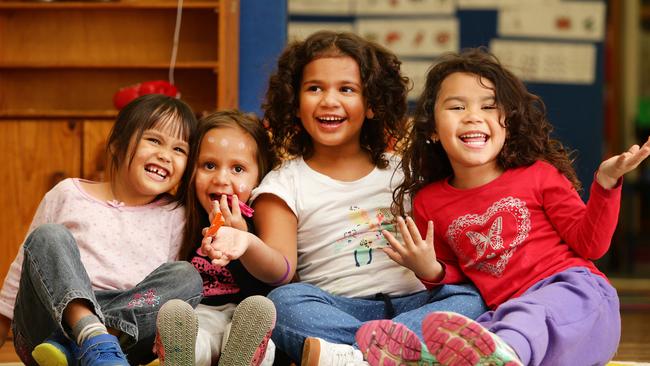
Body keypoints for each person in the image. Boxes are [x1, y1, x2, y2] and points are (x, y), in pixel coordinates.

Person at [201, 31, 488, 365]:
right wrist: (247, 242)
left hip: (416, 301)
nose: (329, 100)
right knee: (282, 303)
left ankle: (356, 354)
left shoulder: (408, 169)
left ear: (371, 104)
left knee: (470, 299)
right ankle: (400, 351)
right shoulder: (283, 184)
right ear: (294, 102)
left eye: (346, 89)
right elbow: (280, 270)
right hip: (337, 306)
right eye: (314, 88)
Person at [360, 48, 650, 366]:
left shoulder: (538, 174)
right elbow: (463, 281)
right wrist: (431, 269)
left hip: (578, 301)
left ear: (508, 123)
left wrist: (606, 183)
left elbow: (590, 245)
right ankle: (428, 357)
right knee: (476, 329)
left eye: (489, 106)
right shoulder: (430, 202)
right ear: (432, 129)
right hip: (509, 320)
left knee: (525, 316)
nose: (473, 115)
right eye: (457, 106)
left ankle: (501, 353)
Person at [0, 94, 204, 366]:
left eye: (179, 150)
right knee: (49, 236)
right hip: (47, 332)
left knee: (186, 276)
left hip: (124, 341)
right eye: (154, 140)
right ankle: (87, 334)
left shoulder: (175, 215)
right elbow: (25, 269)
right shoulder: (68, 193)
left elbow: (160, 297)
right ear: (118, 145)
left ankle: (96, 343)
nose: (165, 155)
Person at [178, 110, 279, 366]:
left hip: (246, 316)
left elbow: (268, 288)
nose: (221, 179)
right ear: (192, 171)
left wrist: (242, 240)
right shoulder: (182, 220)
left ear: (259, 177)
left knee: (263, 344)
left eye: (238, 168)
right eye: (209, 165)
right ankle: (180, 354)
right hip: (201, 315)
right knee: (194, 338)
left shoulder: (263, 224)